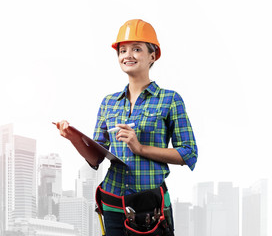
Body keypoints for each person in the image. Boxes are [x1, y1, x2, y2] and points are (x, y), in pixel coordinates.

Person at [55, 19, 198, 236]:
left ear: (153, 55)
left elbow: (189, 153)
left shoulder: (170, 100)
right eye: (122, 50)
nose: (127, 55)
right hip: (112, 202)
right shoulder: (109, 102)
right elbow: (96, 159)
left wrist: (140, 149)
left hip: (148, 207)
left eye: (136, 49)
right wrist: (72, 137)